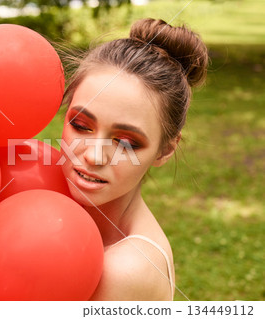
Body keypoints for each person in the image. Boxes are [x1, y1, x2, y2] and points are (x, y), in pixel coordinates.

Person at [59, 18, 209, 300]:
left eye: (126, 143)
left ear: (165, 150)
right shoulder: (42, 199)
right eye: (80, 125)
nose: (93, 155)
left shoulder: (124, 270)